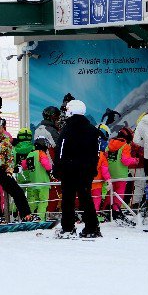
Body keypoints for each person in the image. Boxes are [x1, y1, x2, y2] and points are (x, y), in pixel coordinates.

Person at [55, 99, 101, 238]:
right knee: (86, 198)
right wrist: (92, 168)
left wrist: (57, 168)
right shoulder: (92, 130)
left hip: (69, 170)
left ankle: (68, 228)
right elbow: (96, 152)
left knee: (68, 199)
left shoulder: (67, 129)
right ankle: (92, 227)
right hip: (86, 171)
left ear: (70, 111)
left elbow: (60, 151)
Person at [105, 127, 141, 216]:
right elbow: (125, 160)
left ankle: (106, 210)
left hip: (109, 173)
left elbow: (105, 157)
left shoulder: (109, 144)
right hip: (120, 174)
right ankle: (116, 211)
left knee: (110, 193)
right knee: (119, 194)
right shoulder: (125, 146)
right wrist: (135, 160)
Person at [21, 137, 53, 220]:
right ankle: (40, 218)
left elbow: (24, 166)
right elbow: (47, 166)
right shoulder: (41, 153)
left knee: (33, 202)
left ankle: (29, 217)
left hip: (33, 183)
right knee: (43, 201)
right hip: (43, 182)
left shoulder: (30, 154)